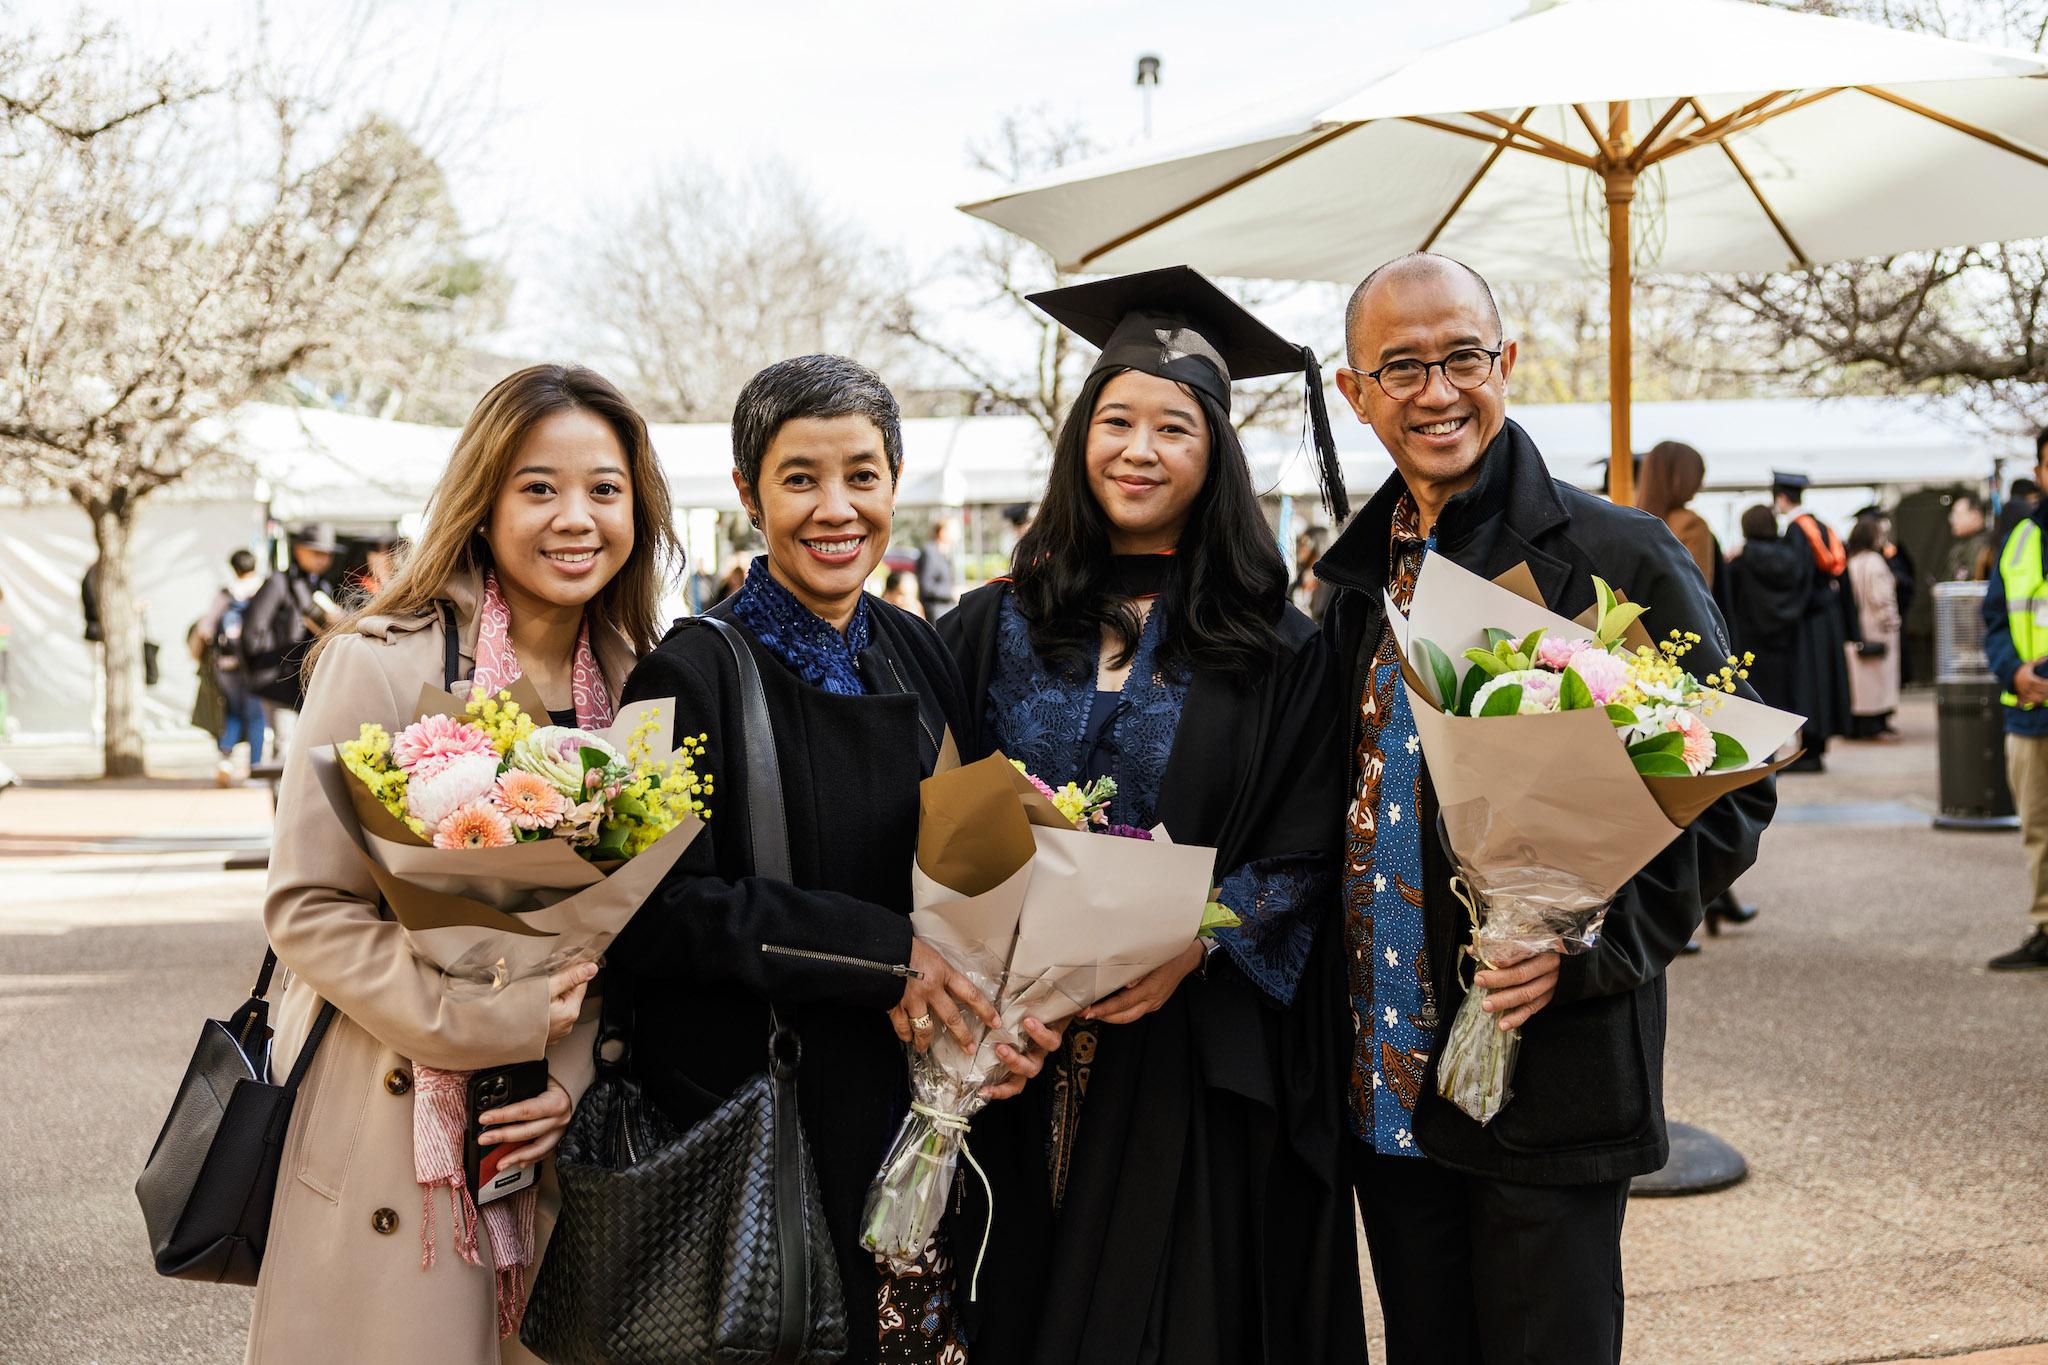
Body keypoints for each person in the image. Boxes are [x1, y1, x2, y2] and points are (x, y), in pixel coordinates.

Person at [1315, 252, 1773, 1364]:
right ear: (1353, 392)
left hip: (1545, 1062)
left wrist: (1584, 945)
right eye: (1402, 365)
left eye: (1462, 356)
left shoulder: (1612, 554)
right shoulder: (1350, 583)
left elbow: (1721, 796)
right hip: (1387, 1071)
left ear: (1504, 363)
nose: (1437, 391)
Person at [936, 266, 1363, 1365]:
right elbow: (931, 807)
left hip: (1184, 1059)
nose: (1138, 448)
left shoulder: (1275, 645)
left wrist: (1198, 942)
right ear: (1079, 439)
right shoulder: (992, 622)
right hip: (1004, 1056)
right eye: (1114, 419)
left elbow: (1313, 844)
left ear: (1213, 453)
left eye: (1172, 425)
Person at [608, 355, 1062, 1365]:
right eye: (799, 477)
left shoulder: (916, 645)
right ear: (746, 493)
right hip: (773, 1134)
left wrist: (1007, 1010)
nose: (835, 508)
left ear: (894, 482)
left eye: (861, 474)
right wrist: (878, 952)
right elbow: (647, 913)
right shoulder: (685, 669)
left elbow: (975, 850)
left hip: (930, 1112)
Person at [249, 365, 678, 1361]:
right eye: (538, 487)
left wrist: (566, 1080)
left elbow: (633, 930)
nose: (576, 518)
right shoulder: (381, 660)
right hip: (390, 1122)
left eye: (604, 490)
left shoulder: (642, 685)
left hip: (555, 1140)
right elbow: (308, 905)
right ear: (482, 501)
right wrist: (477, 1025)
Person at [1983, 433, 2048, 972]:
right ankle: (2047, 928)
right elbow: (1995, 617)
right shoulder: (2020, 537)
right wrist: (2016, 670)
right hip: (2030, 707)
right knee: (2038, 824)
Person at [1772, 471, 1854, 773]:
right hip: (1828, 616)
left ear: (1781, 498)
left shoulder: (1797, 530)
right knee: (1824, 680)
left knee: (1809, 681)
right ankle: (1816, 748)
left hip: (1809, 616)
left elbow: (1796, 577)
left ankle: (1809, 752)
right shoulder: (1822, 526)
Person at [241, 523, 344, 760]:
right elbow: (253, 631)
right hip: (278, 680)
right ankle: (281, 799)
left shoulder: (323, 585)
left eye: (327, 554)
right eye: (317, 552)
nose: (323, 559)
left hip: (310, 682)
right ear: (299, 550)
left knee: (310, 750)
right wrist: (266, 666)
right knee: (285, 749)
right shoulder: (279, 582)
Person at [191, 548, 268, 784]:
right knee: (256, 717)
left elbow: (205, 630)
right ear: (254, 565)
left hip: (225, 666)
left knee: (233, 712)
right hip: (254, 665)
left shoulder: (225, 594)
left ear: (233, 568)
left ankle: (225, 759)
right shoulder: (263, 591)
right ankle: (255, 770)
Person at [1636, 440, 1721, 592]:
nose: (1701, 484)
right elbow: (1697, 593)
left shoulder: (1631, 520)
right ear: (1685, 478)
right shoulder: (1692, 525)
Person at [1845, 517, 1903, 740]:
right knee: (1880, 680)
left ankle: (1863, 724)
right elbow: (1882, 597)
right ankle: (1877, 724)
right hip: (1879, 628)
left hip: (1859, 628)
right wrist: (1891, 620)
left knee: (1862, 682)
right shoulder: (1875, 562)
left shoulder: (1852, 561)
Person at [1945, 492, 1995, 583]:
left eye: (1957, 514)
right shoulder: (1964, 544)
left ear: (1975, 515)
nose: (1952, 519)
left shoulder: (1984, 544)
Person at [916, 517, 960, 619]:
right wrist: (951, 592)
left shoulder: (947, 553)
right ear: (942, 532)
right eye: (954, 531)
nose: (957, 534)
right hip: (936, 613)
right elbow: (926, 586)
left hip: (947, 610)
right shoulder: (929, 552)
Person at [1293, 523, 1333, 621]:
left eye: (1304, 544)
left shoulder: (1329, 583)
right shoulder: (1299, 579)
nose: (1299, 548)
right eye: (1298, 543)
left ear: (1318, 545)